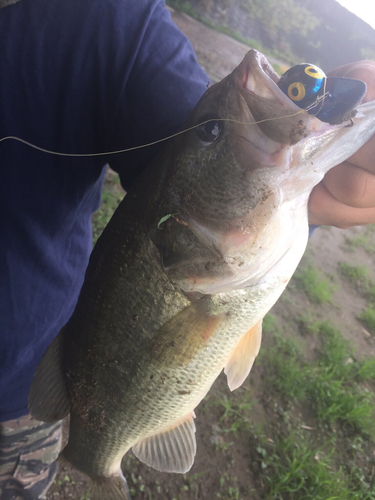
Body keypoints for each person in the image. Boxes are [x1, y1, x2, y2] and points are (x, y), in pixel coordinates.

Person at [0, 0, 374, 499]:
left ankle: (96, 461)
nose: (248, 74)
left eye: (210, 130)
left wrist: (310, 191)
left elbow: (177, 141)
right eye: (212, 131)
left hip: (14, 401)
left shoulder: (108, 19)